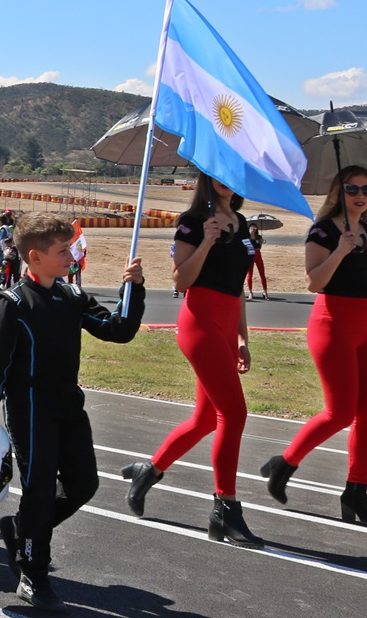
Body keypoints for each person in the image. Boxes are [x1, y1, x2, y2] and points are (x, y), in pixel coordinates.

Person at [0, 212, 144, 610]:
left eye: (71, 249)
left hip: (68, 404)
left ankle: (22, 531)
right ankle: (32, 571)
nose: (71, 256)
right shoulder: (12, 303)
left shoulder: (72, 297)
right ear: (35, 256)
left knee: (84, 485)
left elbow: (118, 330)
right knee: (40, 490)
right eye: (63, 250)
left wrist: (134, 289)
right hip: (30, 408)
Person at [121, 174, 262, 549]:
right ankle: (225, 508)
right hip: (200, 323)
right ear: (207, 175)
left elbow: (237, 287)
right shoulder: (193, 221)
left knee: (206, 419)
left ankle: (149, 470)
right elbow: (181, 281)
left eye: (234, 173)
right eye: (220, 172)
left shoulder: (240, 221)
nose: (227, 180)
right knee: (234, 413)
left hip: (227, 324)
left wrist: (242, 338)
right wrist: (207, 241)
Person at [261, 166, 367, 525]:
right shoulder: (322, 231)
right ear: (339, 192)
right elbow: (313, 282)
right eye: (352, 189)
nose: (360, 195)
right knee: (341, 413)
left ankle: (356, 492)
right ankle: (285, 463)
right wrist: (340, 252)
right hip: (332, 326)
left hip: (365, 329)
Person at [246, 224, 269, 300]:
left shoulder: (258, 237)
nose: (253, 229)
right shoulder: (247, 238)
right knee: (250, 274)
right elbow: (246, 247)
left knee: (262, 273)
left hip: (258, 254)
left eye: (254, 228)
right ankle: (250, 292)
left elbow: (259, 247)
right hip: (250, 255)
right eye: (251, 228)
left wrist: (261, 242)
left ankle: (265, 291)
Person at [0, 210, 15, 288]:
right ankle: (3, 283)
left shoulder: (2, 228)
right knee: (4, 266)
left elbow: (2, 240)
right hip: (6, 249)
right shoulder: (8, 227)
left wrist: (3, 250)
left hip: (1, 250)